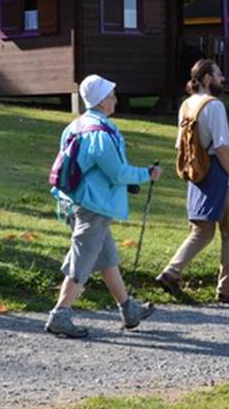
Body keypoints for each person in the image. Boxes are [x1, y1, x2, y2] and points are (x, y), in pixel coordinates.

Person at [45, 75, 161, 338]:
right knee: (82, 259)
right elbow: (117, 173)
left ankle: (129, 309)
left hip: (76, 202)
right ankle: (60, 315)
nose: (115, 100)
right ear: (101, 100)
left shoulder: (75, 126)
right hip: (94, 207)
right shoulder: (101, 133)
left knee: (107, 258)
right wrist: (146, 174)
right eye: (111, 95)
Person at [155, 59, 229, 303]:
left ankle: (171, 272)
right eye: (219, 74)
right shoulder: (214, 106)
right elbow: (221, 147)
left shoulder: (186, 105)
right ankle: (227, 289)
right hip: (217, 172)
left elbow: (180, 145)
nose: (223, 79)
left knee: (202, 230)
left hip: (197, 172)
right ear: (207, 78)